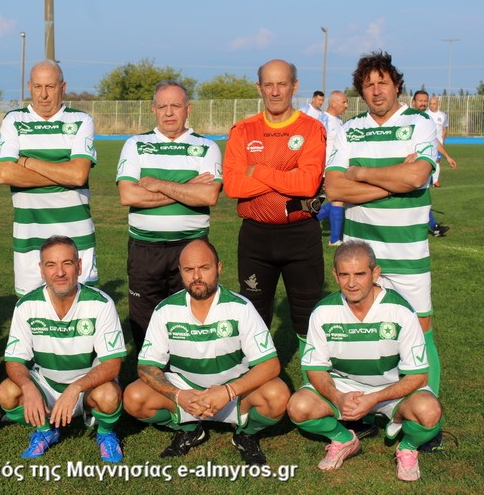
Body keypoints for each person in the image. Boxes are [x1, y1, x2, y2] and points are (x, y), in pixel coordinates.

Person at [326, 52, 442, 398]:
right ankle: (373, 405)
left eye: (383, 83)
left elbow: (417, 176)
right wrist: (395, 181)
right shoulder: (350, 129)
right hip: (360, 256)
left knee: (420, 332)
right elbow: (335, 189)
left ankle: (424, 414)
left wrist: (359, 173)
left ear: (396, 85)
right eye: (368, 85)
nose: (376, 91)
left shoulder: (420, 122)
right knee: (369, 333)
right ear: (361, 91)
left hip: (408, 254)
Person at [287, 241, 443, 482]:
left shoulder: (400, 311)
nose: (352, 283)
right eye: (344, 275)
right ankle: (344, 439)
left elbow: (417, 376)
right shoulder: (323, 312)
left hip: (391, 388)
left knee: (430, 411)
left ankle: (407, 448)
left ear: (375, 273)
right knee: (298, 407)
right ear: (335, 275)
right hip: (344, 388)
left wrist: (374, 398)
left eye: (360, 274)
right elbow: (315, 368)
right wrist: (337, 397)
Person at [123, 239, 289, 465]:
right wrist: (178, 395)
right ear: (180, 272)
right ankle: (190, 429)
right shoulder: (166, 310)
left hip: (233, 392)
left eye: (204, 268)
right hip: (187, 393)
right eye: (189, 269)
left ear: (219, 268)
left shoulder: (240, 307)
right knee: (134, 397)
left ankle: (245, 433)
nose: (196, 276)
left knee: (277, 395)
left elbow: (270, 364)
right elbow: (146, 366)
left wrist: (228, 391)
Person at [222, 59, 326, 364]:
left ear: (294, 86)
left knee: (308, 317)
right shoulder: (243, 130)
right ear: (259, 87)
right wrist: (285, 177)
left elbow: (307, 184)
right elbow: (233, 186)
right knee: (253, 316)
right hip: (256, 238)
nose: (275, 91)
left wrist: (258, 171)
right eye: (269, 84)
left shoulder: (311, 128)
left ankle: (313, 381)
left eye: (282, 84)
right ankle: (256, 381)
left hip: (300, 236)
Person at [0, 236, 126, 463]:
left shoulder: (100, 303)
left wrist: (75, 388)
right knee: (7, 393)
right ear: (41, 270)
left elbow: (112, 364)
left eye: (67, 263)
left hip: (86, 389)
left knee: (109, 395)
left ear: (79, 266)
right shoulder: (27, 305)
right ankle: (46, 430)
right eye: (51, 265)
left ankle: (105, 434)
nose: (59, 272)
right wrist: (27, 386)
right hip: (47, 385)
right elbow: (14, 361)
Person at [116, 80, 222, 347]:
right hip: (144, 248)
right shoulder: (136, 144)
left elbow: (208, 196)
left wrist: (157, 184)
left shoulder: (206, 146)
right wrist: (187, 188)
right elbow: (128, 195)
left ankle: (187, 367)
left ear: (188, 109)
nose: (169, 112)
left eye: (175, 105)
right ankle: (148, 370)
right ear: (153, 110)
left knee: (190, 317)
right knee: (143, 322)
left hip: (191, 247)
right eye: (162, 106)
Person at [0, 60, 98, 296]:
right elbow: (4, 173)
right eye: (38, 87)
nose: (43, 95)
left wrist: (28, 162)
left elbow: (78, 175)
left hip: (77, 236)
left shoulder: (81, 120)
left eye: (50, 87)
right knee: (31, 308)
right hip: (29, 238)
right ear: (29, 87)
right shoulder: (14, 120)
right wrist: (63, 172)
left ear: (63, 87)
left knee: (82, 306)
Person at [411, 91, 455, 237]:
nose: (423, 103)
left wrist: (447, 156)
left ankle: (434, 226)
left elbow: (434, 140)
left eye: (425, 101)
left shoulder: (427, 120)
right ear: (413, 102)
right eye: (420, 100)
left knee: (423, 195)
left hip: (421, 165)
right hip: (406, 165)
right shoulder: (407, 118)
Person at [316, 90, 349, 245]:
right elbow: (315, 146)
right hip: (325, 169)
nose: (346, 105)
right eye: (344, 102)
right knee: (338, 199)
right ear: (334, 103)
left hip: (337, 168)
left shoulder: (339, 120)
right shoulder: (323, 121)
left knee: (340, 199)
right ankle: (334, 238)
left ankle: (333, 237)